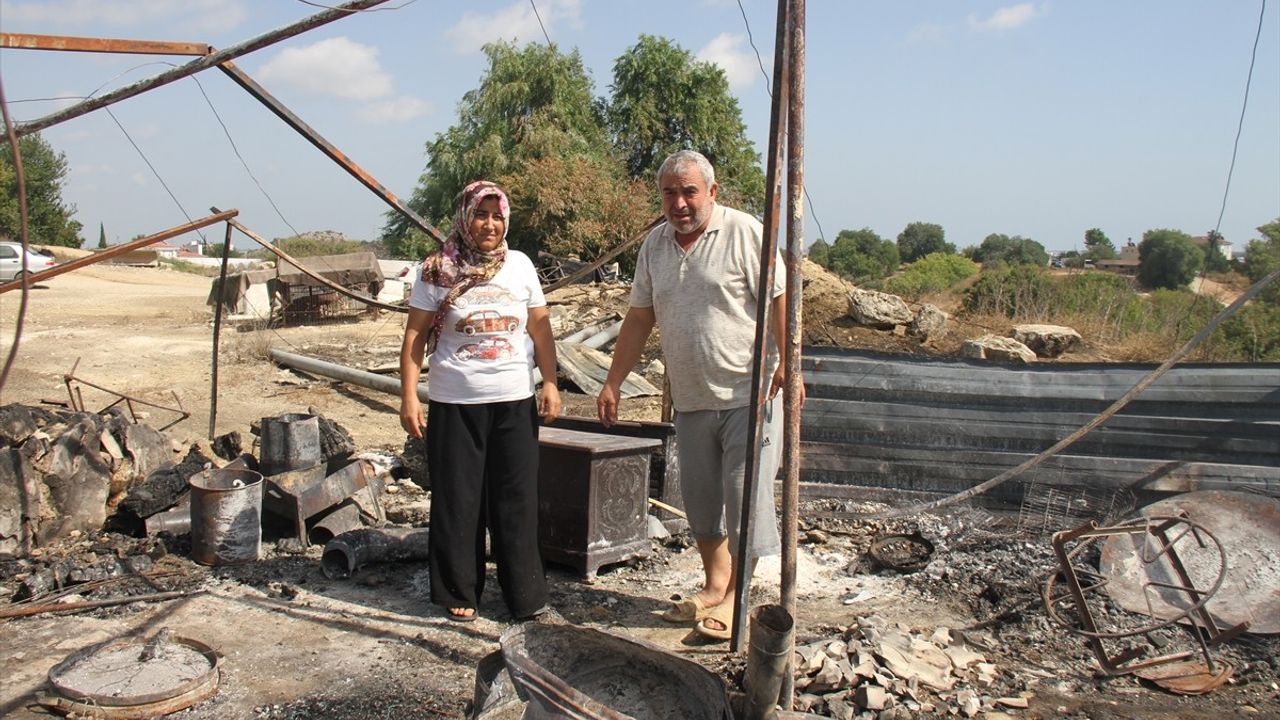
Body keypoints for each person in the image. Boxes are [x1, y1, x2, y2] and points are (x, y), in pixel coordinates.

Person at [597, 150, 803, 641]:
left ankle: (738, 600)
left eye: (690, 191)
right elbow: (640, 317)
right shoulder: (655, 246)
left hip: (747, 396)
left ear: (712, 192)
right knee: (700, 499)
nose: (680, 202)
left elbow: (780, 300)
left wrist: (791, 366)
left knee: (742, 497)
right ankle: (715, 584)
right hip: (690, 397)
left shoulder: (745, 232)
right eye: (670, 192)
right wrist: (612, 380)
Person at [400, 180, 560, 622]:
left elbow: (540, 328)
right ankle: (459, 589)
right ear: (465, 217)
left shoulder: (521, 266)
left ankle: (525, 593)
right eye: (480, 214)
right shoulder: (436, 269)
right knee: (458, 497)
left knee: (517, 497)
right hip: (455, 401)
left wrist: (550, 382)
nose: (489, 224)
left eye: (497, 216)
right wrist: (409, 395)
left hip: (514, 399)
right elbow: (415, 337)